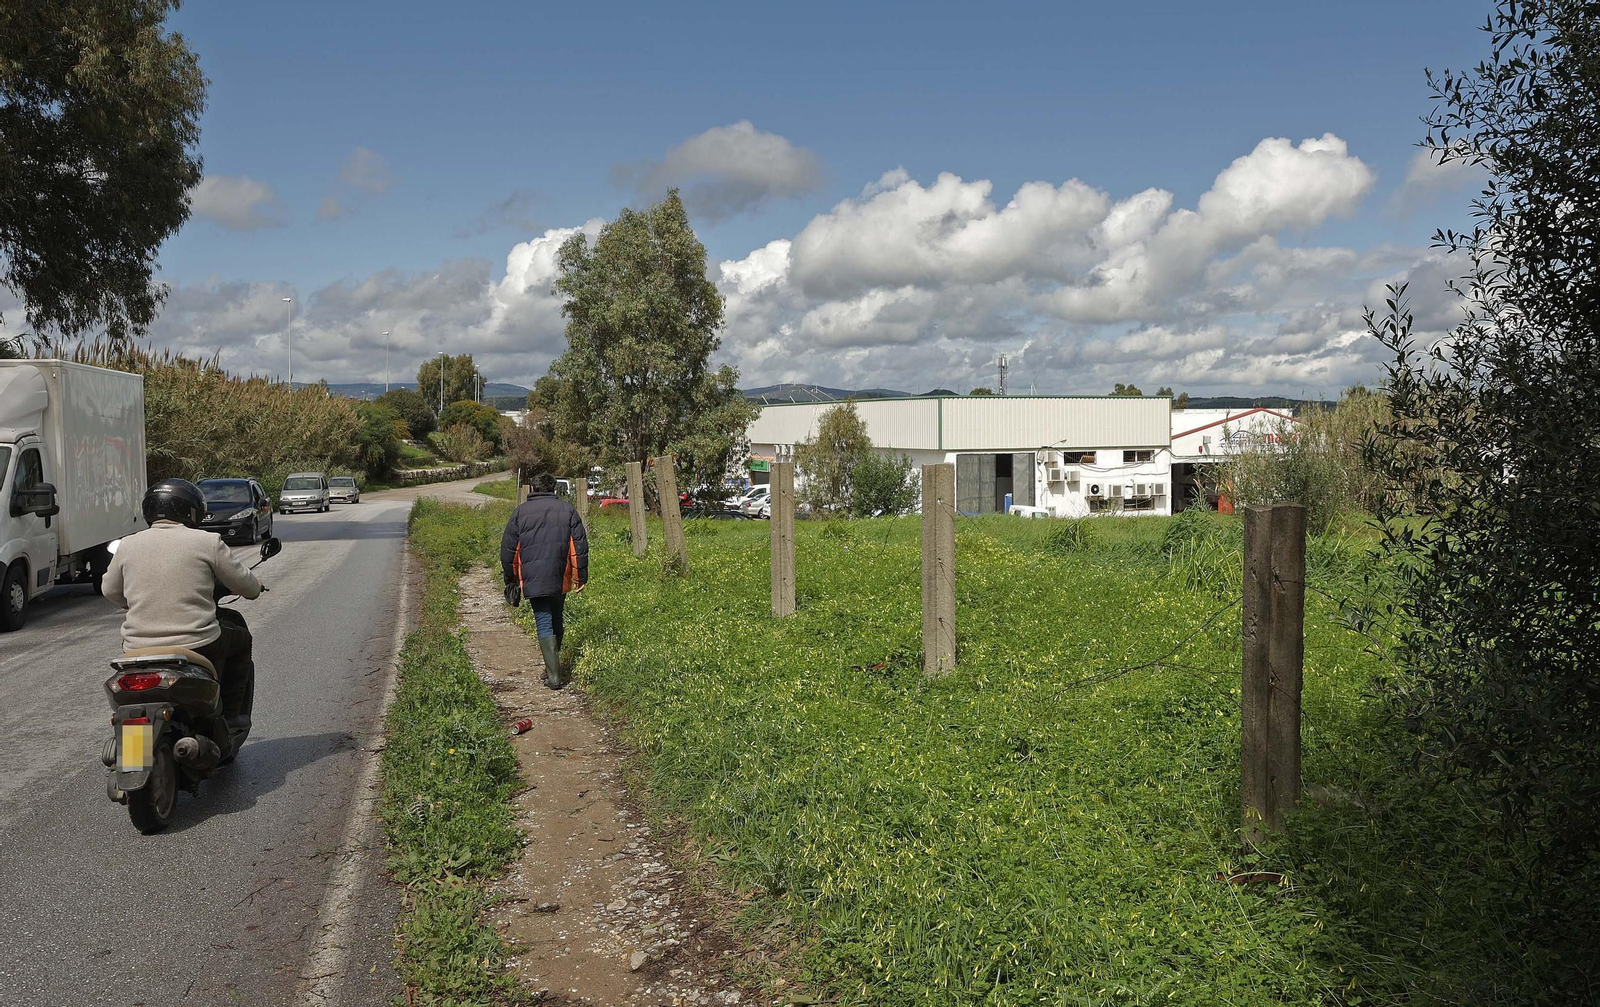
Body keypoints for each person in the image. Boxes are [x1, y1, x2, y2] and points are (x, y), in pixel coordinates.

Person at [102, 478, 263, 731]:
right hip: (199, 642)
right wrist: (255, 587)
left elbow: (110, 591)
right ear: (192, 510)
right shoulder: (207, 541)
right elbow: (248, 586)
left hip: (137, 647)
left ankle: (135, 742)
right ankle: (231, 716)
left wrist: (130, 603)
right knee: (242, 640)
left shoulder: (128, 544)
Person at [501, 471, 588, 689]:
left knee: (543, 620)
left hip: (533, 577)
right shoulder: (568, 510)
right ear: (554, 489)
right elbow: (579, 546)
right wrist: (580, 576)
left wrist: (511, 579)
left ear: (532, 489)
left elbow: (509, 551)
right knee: (557, 617)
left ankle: (554, 676)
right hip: (561, 575)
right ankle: (553, 669)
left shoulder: (520, 513)